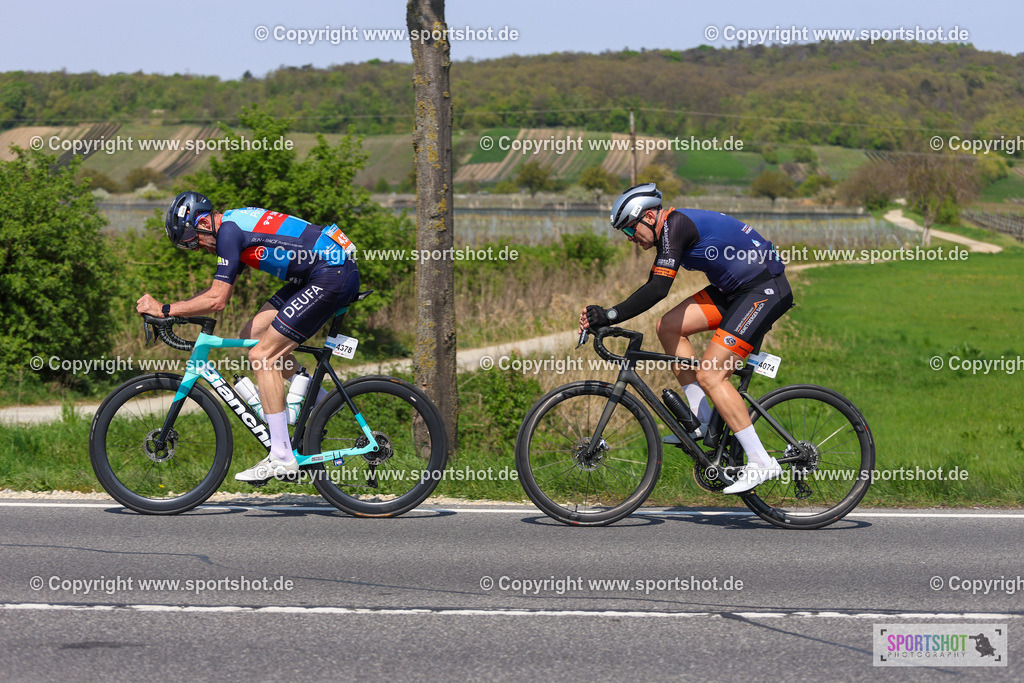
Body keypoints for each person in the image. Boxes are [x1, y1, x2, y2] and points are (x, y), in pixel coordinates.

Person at [580, 183, 794, 494]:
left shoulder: (675, 226)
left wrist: (610, 315)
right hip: (734, 292)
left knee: (711, 374)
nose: (630, 239)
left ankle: (761, 462)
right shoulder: (670, 229)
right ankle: (702, 420)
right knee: (668, 327)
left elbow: (658, 288)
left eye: (631, 229)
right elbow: (656, 288)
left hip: (763, 290)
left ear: (650, 216)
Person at [136, 191, 360, 483]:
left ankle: (281, 456)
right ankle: (321, 400)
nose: (198, 249)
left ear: (202, 222)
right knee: (252, 334)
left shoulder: (229, 233)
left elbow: (217, 300)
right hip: (318, 272)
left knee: (262, 356)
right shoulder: (232, 227)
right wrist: (175, 312)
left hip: (330, 273)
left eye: (193, 241)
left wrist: (165, 309)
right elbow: (215, 292)